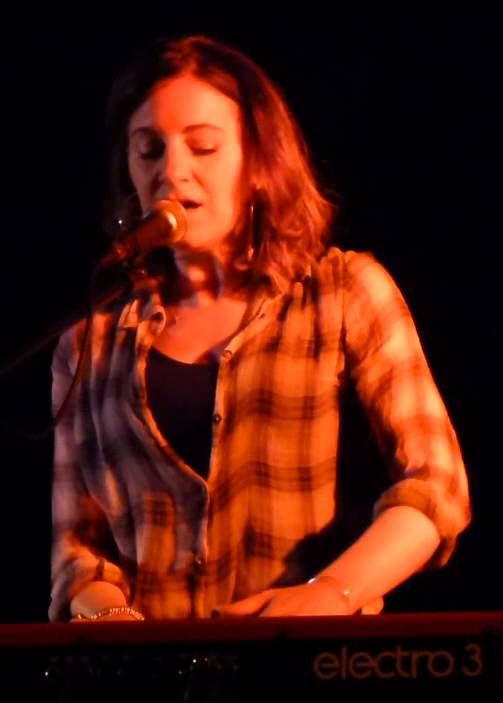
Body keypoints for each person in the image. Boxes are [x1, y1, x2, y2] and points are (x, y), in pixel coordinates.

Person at [49, 34, 470, 622]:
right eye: (149, 150)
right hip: (146, 672)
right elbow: (78, 552)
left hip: (302, 663)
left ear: (260, 162)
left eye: (203, 146)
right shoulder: (89, 342)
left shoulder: (343, 293)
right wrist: (113, 624)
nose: (172, 171)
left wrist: (332, 593)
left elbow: (436, 485)